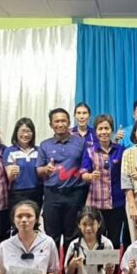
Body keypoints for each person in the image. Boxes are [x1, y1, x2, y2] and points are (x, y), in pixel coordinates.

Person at [37, 108, 89, 253]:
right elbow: (38, 170)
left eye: (63, 121)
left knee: (72, 236)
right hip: (52, 194)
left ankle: (70, 265)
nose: (60, 124)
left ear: (69, 122)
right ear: (51, 124)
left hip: (75, 194)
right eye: (57, 121)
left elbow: (86, 166)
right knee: (51, 236)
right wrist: (46, 169)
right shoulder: (45, 145)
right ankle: (52, 266)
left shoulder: (81, 143)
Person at [81, 114, 126, 248]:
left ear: (112, 130)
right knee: (97, 239)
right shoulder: (90, 151)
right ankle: (97, 262)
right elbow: (83, 173)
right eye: (100, 129)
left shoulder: (120, 150)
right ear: (95, 131)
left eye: (106, 128)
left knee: (114, 239)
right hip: (96, 203)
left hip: (116, 202)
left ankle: (113, 262)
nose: (104, 132)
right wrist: (89, 176)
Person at [4, 117, 43, 208]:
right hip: (17, 193)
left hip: (37, 191)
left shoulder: (39, 150)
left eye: (28, 131)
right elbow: (8, 177)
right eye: (22, 131)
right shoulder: (10, 151)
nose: (25, 134)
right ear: (16, 133)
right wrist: (12, 173)